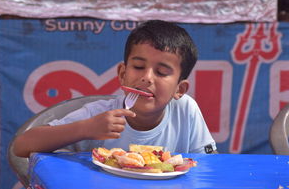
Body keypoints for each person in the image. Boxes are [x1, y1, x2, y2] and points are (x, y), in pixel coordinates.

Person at [13, 20, 217, 158]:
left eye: (162, 72)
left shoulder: (186, 110)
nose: (146, 78)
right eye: (138, 67)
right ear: (122, 73)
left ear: (179, 90)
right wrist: (86, 128)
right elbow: (22, 146)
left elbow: (210, 164)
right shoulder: (99, 114)